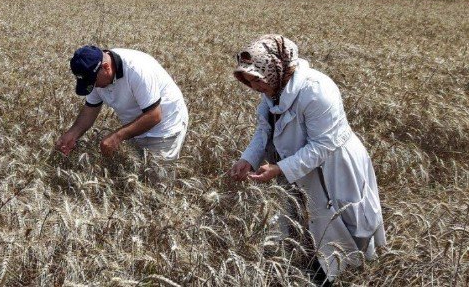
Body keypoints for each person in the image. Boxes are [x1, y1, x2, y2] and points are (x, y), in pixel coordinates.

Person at [228, 34, 386, 284]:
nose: (255, 87)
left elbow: (323, 144)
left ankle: (351, 276)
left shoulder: (315, 90)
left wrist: (280, 168)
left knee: (341, 225)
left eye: (257, 79)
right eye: (249, 81)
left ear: (275, 67)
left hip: (333, 165)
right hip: (297, 165)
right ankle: (314, 269)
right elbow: (264, 130)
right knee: (304, 224)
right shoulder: (274, 89)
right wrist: (248, 158)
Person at [56, 46, 189, 184]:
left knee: (157, 182)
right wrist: (71, 135)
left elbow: (154, 115)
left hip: (165, 126)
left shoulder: (136, 70)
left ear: (106, 67)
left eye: (93, 82)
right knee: (135, 178)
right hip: (136, 125)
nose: (93, 87)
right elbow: (90, 110)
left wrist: (116, 137)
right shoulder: (94, 76)